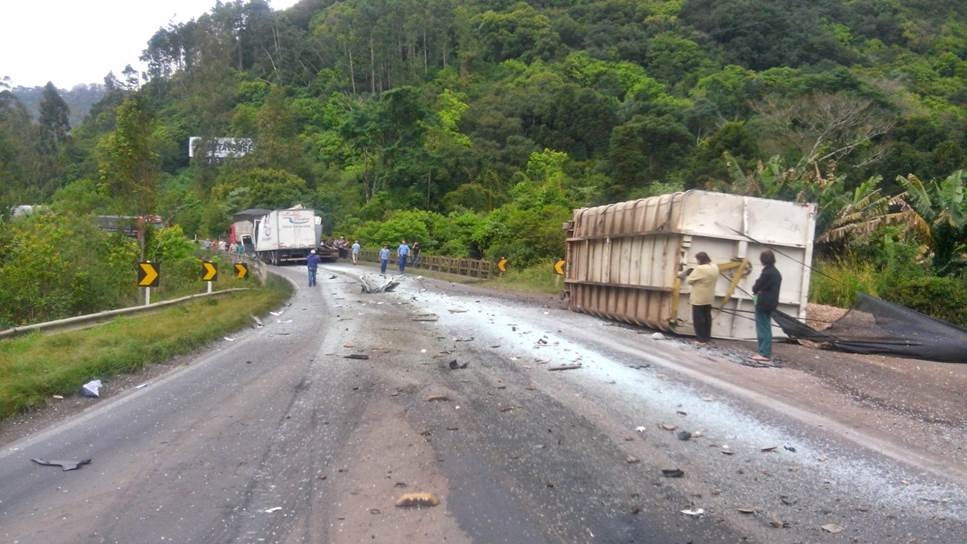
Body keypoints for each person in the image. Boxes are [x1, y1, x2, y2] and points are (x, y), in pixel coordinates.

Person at [679, 252, 719, 343]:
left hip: (699, 297)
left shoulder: (700, 268)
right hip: (709, 297)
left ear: (700, 259)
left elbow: (690, 281)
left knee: (698, 319)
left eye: (697, 259)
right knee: (707, 318)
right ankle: (707, 338)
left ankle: (700, 339)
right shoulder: (714, 267)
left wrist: (689, 273)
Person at [751, 249, 782, 361]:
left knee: (762, 327)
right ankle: (765, 351)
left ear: (763, 260)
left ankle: (764, 353)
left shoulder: (766, 272)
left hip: (763, 303)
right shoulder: (776, 272)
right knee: (766, 327)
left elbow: (756, 287)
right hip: (772, 303)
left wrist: (757, 289)